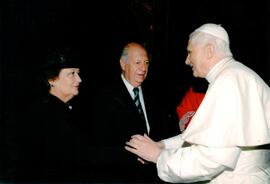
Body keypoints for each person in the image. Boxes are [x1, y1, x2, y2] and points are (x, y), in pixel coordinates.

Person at [125, 23, 270, 183]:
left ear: (209, 50)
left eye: (190, 52)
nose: (187, 61)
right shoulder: (236, 75)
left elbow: (212, 159)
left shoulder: (229, 81)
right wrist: (163, 146)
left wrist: (159, 156)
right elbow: (203, 137)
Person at [89, 42, 169, 183]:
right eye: (137, 62)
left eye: (146, 63)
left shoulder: (155, 93)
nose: (143, 68)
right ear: (123, 64)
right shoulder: (105, 97)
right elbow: (99, 145)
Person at [11, 47, 92, 182]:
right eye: (72, 73)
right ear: (52, 79)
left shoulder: (63, 110)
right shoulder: (44, 116)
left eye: (78, 73)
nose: (79, 79)